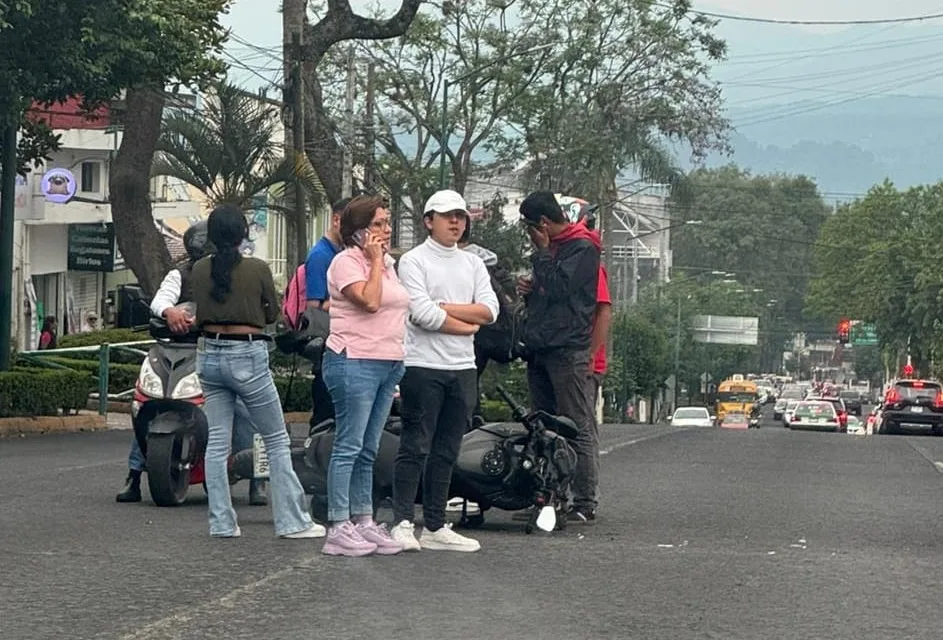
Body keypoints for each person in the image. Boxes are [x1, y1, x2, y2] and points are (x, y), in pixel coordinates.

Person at [190, 204, 323, 539]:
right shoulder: (257, 268)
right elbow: (271, 314)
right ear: (242, 234)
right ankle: (293, 521)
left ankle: (221, 522)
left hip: (208, 354)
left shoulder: (199, 269)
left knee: (218, 441)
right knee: (277, 439)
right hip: (246, 353)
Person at [116, 222, 267, 505]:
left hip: (223, 348)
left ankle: (256, 478)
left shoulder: (240, 273)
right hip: (177, 349)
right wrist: (169, 311)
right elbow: (161, 300)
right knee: (146, 402)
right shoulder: (179, 274)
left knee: (245, 409)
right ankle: (134, 473)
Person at [390, 190, 499, 553]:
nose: (455, 222)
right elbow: (420, 313)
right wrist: (465, 324)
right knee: (415, 445)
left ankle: (435, 524)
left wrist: (446, 310)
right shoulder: (414, 261)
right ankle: (404, 521)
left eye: (460, 216)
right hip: (422, 365)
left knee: (447, 449)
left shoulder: (473, 264)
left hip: (462, 368)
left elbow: (490, 310)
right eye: (447, 216)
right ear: (428, 221)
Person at [320, 195, 409, 556]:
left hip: (388, 362)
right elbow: (369, 301)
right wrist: (373, 262)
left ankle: (363, 518)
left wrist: (379, 262)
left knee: (369, 448)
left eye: (387, 223)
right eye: (377, 224)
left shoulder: (388, 264)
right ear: (357, 231)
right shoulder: (346, 263)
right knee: (349, 446)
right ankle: (338, 524)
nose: (386, 231)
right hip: (353, 360)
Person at [517, 191, 600, 523]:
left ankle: (584, 500)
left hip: (568, 350)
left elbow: (560, 288)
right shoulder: (553, 252)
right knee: (543, 425)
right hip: (541, 348)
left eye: (530, 228)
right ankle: (549, 496)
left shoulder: (583, 248)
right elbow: (546, 295)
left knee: (575, 425)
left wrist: (541, 253)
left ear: (543, 224)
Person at [304, 198, 349, 429]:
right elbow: (314, 306)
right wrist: (349, 298)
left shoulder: (341, 253)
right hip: (327, 344)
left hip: (341, 342)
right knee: (325, 413)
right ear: (336, 220)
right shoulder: (321, 255)